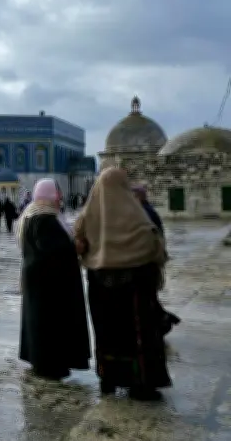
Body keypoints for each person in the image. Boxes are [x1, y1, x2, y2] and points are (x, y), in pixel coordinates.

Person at [74, 167, 171, 400]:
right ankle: (140, 383)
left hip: (99, 284)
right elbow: (153, 246)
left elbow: (79, 243)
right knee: (137, 335)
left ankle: (108, 377)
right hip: (135, 286)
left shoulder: (88, 214)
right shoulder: (137, 215)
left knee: (107, 333)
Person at [17, 179, 91, 380]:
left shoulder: (35, 215)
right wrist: (75, 248)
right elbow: (52, 250)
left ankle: (45, 362)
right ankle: (49, 365)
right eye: (57, 193)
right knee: (49, 325)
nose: (60, 197)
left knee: (42, 324)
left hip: (41, 283)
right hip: (48, 287)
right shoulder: (44, 218)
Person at [132, 185, 181, 335]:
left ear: (138, 197)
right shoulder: (147, 210)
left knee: (147, 298)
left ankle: (162, 322)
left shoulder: (144, 213)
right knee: (148, 297)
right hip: (151, 260)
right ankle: (163, 320)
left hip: (148, 261)